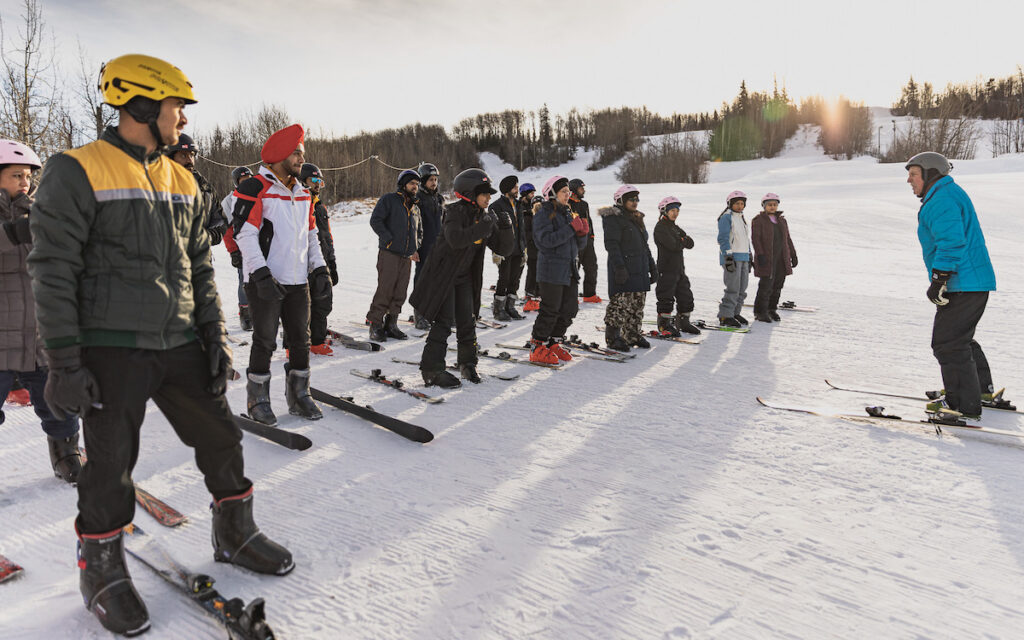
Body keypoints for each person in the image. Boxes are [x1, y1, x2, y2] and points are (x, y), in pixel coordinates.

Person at [27, 54, 293, 637]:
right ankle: (101, 573)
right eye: (175, 107)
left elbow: (200, 263)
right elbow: (52, 268)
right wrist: (64, 362)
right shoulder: (76, 169)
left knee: (221, 437)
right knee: (112, 465)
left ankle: (235, 533)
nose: (181, 119)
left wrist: (215, 335)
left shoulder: (181, 177)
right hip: (109, 345)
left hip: (179, 341)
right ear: (142, 105)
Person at [232, 123, 331, 426]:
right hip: (265, 281)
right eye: (297, 153)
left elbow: (311, 234)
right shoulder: (257, 188)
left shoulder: (302, 193)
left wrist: (320, 268)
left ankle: (300, 395)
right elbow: (245, 235)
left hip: (297, 280)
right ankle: (257, 400)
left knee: (300, 339)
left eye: (302, 153)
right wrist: (261, 275)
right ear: (278, 155)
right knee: (265, 340)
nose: (302, 159)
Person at [0, 139, 82, 483]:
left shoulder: (38, 210)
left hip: (40, 332)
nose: (25, 182)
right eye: (16, 175)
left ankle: (66, 454)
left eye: (29, 176)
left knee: (58, 401)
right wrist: (16, 231)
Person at [906, 151, 998, 421]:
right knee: (959, 339)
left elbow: (951, 241)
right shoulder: (945, 194)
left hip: (963, 282)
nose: (909, 180)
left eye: (913, 174)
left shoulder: (943, 199)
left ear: (930, 173)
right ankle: (979, 390)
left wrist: (939, 278)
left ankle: (962, 404)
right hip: (970, 281)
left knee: (948, 343)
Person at [409, 168, 513, 387]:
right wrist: (484, 226)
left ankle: (467, 363)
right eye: (484, 193)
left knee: (468, 321)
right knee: (444, 322)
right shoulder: (453, 212)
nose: (488, 198)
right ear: (469, 192)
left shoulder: (483, 216)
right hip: (444, 276)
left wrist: (505, 228)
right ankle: (431, 370)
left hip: (465, 277)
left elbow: (503, 248)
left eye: (489, 194)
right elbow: (456, 239)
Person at [528, 175, 590, 364]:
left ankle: (553, 341)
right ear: (552, 194)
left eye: (568, 191)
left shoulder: (566, 213)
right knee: (550, 309)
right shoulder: (543, 214)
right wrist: (572, 229)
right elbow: (545, 242)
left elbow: (576, 245)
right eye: (564, 191)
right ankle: (537, 345)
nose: (567, 195)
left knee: (570, 309)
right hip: (551, 270)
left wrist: (582, 234)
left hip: (569, 268)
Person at [600, 185, 656, 352]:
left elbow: (645, 245)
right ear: (621, 200)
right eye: (631, 199)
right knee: (620, 304)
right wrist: (619, 267)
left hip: (639, 267)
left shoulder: (636, 218)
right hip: (623, 267)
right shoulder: (613, 218)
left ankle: (632, 335)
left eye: (637, 199)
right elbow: (612, 244)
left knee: (637, 304)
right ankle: (613, 337)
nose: (635, 202)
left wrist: (652, 266)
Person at [367, 169, 422, 341]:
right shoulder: (389, 200)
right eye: (412, 183)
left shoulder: (415, 207)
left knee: (400, 292)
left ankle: (391, 324)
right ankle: (375, 324)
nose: (415, 187)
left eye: (417, 184)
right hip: (389, 253)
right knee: (385, 289)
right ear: (403, 184)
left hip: (406, 256)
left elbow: (419, 231)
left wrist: (415, 246)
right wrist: (388, 239)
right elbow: (375, 220)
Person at [301, 163, 338, 355]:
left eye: (320, 181)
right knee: (303, 305)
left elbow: (327, 236)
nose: (318, 184)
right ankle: (297, 343)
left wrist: (331, 262)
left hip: (321, 261)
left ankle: (316, 340)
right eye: (314, 180)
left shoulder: (320, 206)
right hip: (303, 263)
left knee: (323, 301)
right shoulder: (299, 203)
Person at [164, 133, 227, 245]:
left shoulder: (206, 189)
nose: (190, 161)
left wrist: (206, 237)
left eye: (192, 155)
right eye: (183, 156)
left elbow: (221, 223)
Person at [653, 196, 700, 336]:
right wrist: (681, 241)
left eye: (677, 210)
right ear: (664, 211)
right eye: (672, 210)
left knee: (686, 296)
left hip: (679, 269)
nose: (675, 213)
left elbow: (690, 243)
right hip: (666, 268)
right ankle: (664, 325)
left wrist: (682, 240)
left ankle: (683, 322)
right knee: (666, 296)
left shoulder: (674, 227)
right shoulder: (661, 227)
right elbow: (674, 245)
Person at [751, 192, 798, 323]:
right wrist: (760, 255)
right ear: (764, 206)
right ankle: (760, 312)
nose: (772, 207)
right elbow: (756, 239)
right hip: (767, 259)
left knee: (778, 285)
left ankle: (772, 309)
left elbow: (787, 239)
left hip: (781, 258)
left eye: (774, 205)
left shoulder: (782, 221)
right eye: (769, 205)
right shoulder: (758, 220)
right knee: (766, 286)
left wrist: (793, 255)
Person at [222, 166, 255, 330]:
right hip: (241, 247)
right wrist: (233, 251)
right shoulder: (229, 201)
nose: (247, 184)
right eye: (243, 181)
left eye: (249, 180)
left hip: (258, 246)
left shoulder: (259, 197)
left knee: (262, 279)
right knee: (244, 280)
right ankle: (246, 313)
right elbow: (227, 230)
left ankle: (262, 312)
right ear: (236, 182)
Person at [491, 175, 526, 321]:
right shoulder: (496, 206)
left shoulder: (519, 205)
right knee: (504, 278)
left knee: (515, 279)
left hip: (519, 248)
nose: (517, 189)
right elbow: (493, 231)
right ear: (507, 190)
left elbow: (522, 228)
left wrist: (524, 248)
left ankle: (510, 307)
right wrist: (496, 251)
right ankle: (498, 309)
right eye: (515, 187)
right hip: (504, 249)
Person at [413, 162, 443, 330]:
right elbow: (413, 224)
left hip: (438, 245)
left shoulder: (439, 198)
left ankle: (431, 311)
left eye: (435, 179)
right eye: (430, 179)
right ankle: (419, 314)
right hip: (423, 246)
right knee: (422, 280)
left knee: (436, 280)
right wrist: (414, 247)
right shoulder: (418, 199)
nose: (434, 182)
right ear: (423, 181)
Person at [716, 190, 752, 328]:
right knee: (733, 288)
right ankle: (725, 315)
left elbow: (744, 238)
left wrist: (750, 254)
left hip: (743, 257)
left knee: (742, 288)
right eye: (737, 203)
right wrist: (728, 256)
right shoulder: (726, 217)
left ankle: (735, 313)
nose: (740, 206)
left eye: (742, 203)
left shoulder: (741, 217)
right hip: (732, 257)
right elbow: (723, 238)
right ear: (730, 204)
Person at [569, 178, 600, 303]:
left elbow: (589, 221)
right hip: (575, 241)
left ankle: (589, 294)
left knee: (592, 267)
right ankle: (571, 296)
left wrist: (591, 236)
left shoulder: (584, 204)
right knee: (573, 269)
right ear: (574, 190)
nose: (584, 191)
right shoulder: (568, 204)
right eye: (581, 188)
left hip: (587, 241)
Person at [522, 187, 540, 301]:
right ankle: (529, 293)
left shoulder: (545, 217)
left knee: (540, 272)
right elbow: (526, 233)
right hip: (532, 248)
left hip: (542, 249)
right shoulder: (528, 217)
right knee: (532, 270)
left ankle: (539, 293)